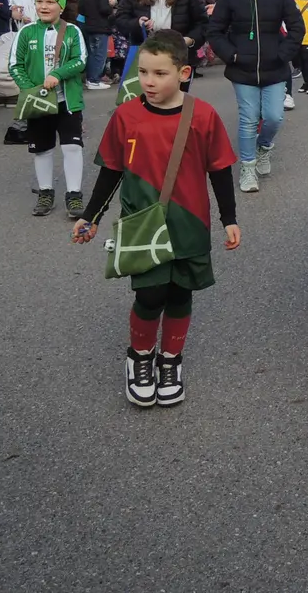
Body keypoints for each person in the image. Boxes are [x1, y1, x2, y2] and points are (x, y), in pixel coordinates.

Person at [73, 30, 241, 409]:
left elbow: (219, 170)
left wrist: (229, 218)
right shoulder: (126, 116)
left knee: (181, 293)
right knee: (149, 295)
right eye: (144, 71)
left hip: (190, 221)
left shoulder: (204, 115)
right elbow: (111, 171)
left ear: (183, 73)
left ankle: (170, 361)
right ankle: (140, 357)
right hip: (142, 221)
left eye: (160, 73)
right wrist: (91, 216)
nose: (149, 81)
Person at [206, 0, 304, 193]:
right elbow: (214, 30)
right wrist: (232, 55)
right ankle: (248, 168)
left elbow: (296, 27)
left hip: (274, 68)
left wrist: (283, 54)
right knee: (248, 119)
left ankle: (264, 147)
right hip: (242, 69)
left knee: (273, 117)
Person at [8, 0, 89, 218]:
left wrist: (57, 73)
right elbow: (15, 65)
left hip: (67, 101)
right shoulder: (26, 32)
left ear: (61, 5)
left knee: (72, 146)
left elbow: (81, 60)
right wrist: (30, 90)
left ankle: (74, 196)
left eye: (50, 2)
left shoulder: (72, 31)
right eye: (39, 1)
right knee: (41, 149)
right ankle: (46, 192)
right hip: (38, 103)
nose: (43, 6)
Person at [114, 0, 210, 90]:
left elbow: (203, 23)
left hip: (177, 60)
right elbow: (120, 18)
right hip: (145, 59)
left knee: (175, 108)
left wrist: (189, 40)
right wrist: (137, 24)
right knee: (145, 109)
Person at [77, 0, 115, 90]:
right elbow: (104, 9)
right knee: (99, 54)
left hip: (88, 25)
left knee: (91, 53)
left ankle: (89, 78)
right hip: (100, 26)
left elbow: (81, 8)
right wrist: (111, 7)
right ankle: (94, 80)